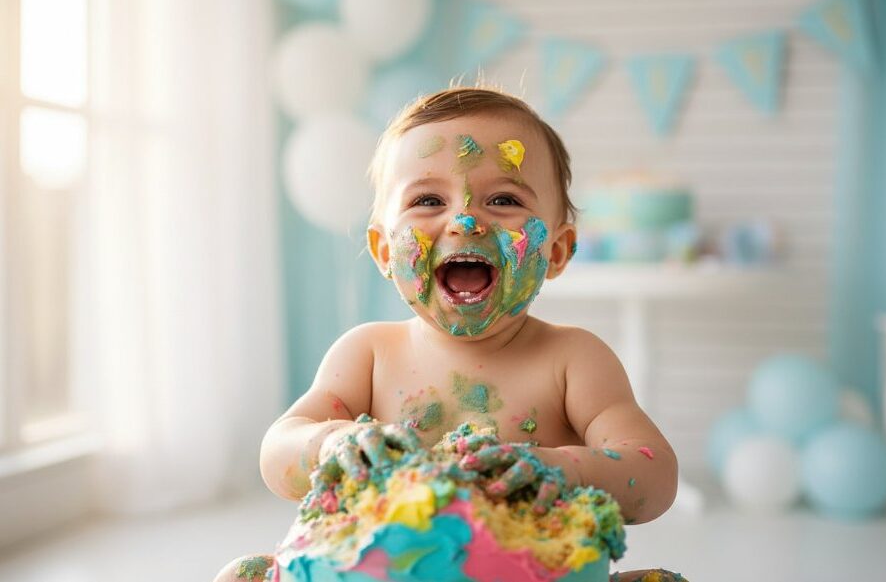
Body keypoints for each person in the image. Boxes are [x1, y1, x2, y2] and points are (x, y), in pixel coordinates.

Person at [214, 86, 685, 582]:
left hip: (527, 575)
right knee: (242, 574)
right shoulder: (368, 354)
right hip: (381, 573)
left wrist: (564, 469)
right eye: (428, 200)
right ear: (383, 251)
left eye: (503, 199)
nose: (464, 221)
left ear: (557, 250)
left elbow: (654, 473)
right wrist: (334, 444)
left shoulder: (574, 360)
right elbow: (278, 451)